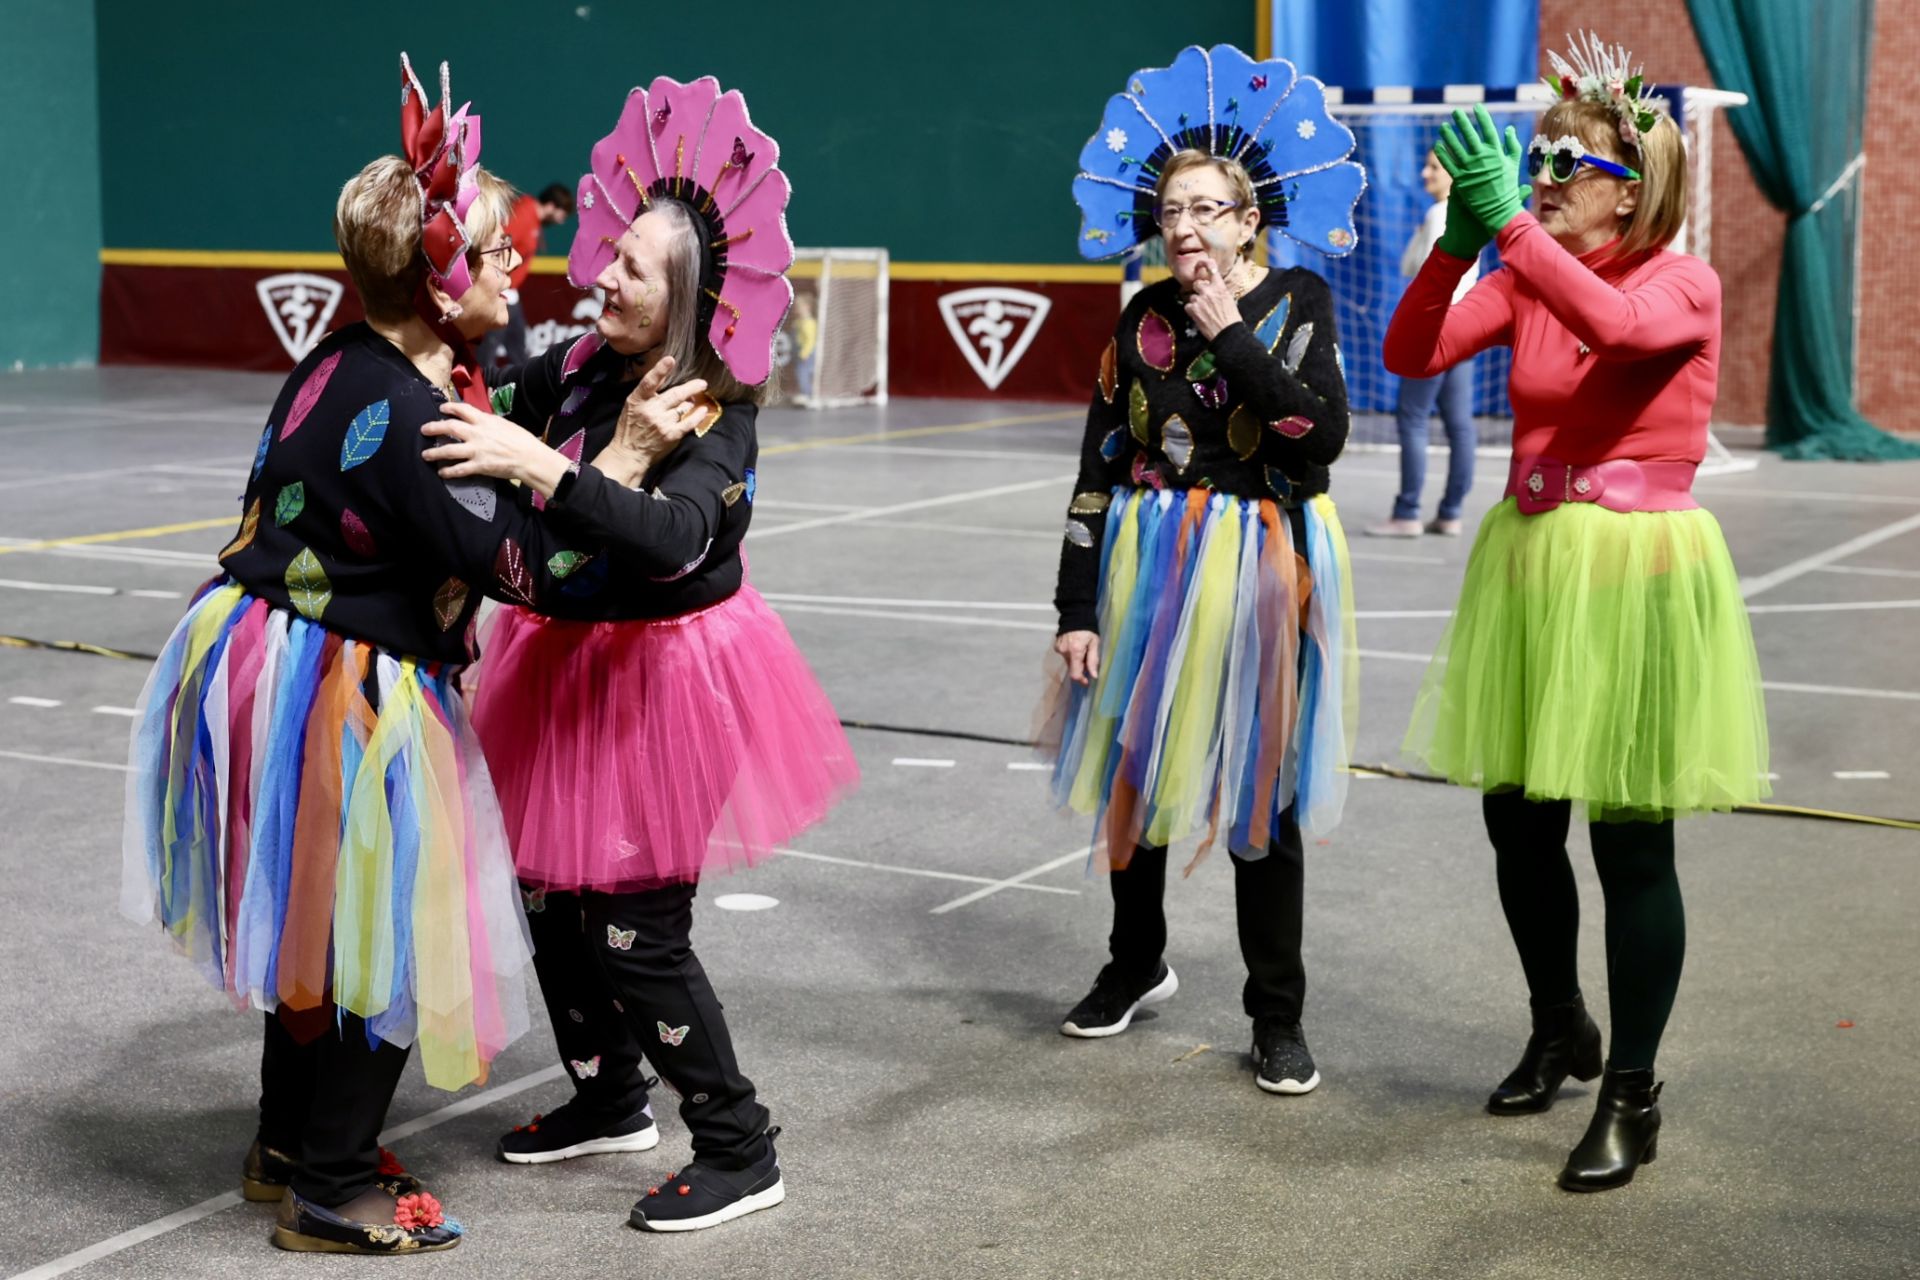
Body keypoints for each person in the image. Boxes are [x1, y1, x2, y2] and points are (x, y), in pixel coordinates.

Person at [120, 55, 652, 1255]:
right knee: (400, 932)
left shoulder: (352, 359)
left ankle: (285, 1137)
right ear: (438, 276)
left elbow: (501, 380)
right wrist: (604, 473)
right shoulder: (420, 428)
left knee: (316, 912)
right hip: (343, 681)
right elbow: (543, 572)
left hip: (261, 655)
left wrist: (579, 374)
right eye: (502, 250)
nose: (523, 264)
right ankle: (336, 1183)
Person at [421, 74, 857, 1233]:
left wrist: (553, 468)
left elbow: (676, 540)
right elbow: (475, 399)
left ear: (687, 301)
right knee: (549, 900)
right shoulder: (571, 369)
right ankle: (609, 1095)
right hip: (564, 660)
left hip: (667, 682)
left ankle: (738, 1141)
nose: (603, 273)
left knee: (634, 929)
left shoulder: (718, 408)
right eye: (610, 252)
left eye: (632, 270)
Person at [1382, 33, 1769, 1192]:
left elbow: (1620, 332)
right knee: (1518, 820)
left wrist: (1504, 227)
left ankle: (1633, 1091)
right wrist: (1455, 249)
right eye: (1537, 152)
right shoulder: (1522, 269)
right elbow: (1413, 351)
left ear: (1633, 180)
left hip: (1635, 575)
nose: (1543, 168)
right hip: (1531, 563)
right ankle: (1562, 1024)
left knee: (1630, 841)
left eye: (1569, 157)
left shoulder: (1678, 280)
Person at [1050, 46, 1364, 1096]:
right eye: (1170, 208)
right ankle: (1135, 961)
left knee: (1257, 794)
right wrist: (1077, 603)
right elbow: (1097, 468)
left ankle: (1277, 1013)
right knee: (1132, 772)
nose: (1182, 225)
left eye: (1205, 207)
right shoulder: (1135, 320)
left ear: (1249, 218)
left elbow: (1315, 439)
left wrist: (1231, 331)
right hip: (1148, 558)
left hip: (1261, 561)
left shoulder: (1299, 297)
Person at [1367, 146, 1480, 538]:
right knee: (1459, 425)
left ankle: (1408, 511)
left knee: (1413, 417)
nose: (1424, 173)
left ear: (1453, 175)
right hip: (1466, 329)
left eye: (1433, 167)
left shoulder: (1438, 214)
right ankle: (1451, 512)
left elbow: (1426, 273)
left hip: (1436, 329)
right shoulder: (1464, 214)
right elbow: (1409, 264)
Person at [477, 181, 575, 370]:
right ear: (553, 206)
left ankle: (520, 389)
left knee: (518, 352)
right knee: (488, 353)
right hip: (502, 294)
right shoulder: (524, 213)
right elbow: (497, 247)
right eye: (563, 213)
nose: (562, 220)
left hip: (511, 295)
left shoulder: (533, 220)